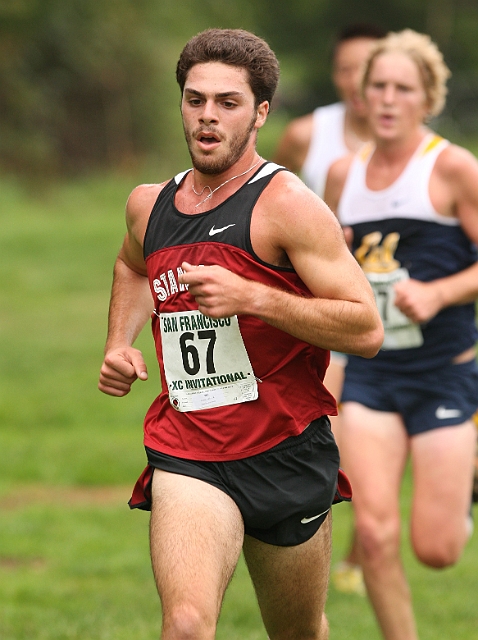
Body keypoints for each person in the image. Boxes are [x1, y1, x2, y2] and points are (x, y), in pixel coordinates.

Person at [98, 28, 383, 640]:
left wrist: (254, 296)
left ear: (259, 113)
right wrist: (119, 343)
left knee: (298, 632)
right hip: (190, 446)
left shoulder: (288, 206)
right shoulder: (150, 205)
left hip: (285, 449)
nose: (207, 117)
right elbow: (131, 263)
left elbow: (365, 326)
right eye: (195, 99)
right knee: (186, 626)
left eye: (227, 103)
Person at [325, 29, 478, 640]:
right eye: (378, 86)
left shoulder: (453, 168)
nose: (388, 99)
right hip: (372, 374)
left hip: (444, 370)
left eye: (402, 89)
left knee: (437, 549)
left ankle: (466, 478)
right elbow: (330, 269)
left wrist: (439, 292)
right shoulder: (343, 174)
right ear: (362, 96)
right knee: (375, 531)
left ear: (426, 98)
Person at [274, 22, 386, 595]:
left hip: (397, 314)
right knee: (333, 423)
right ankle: (344, 545)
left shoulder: (415, 142)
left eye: (368, 71)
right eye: (345, 69)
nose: (357, 83)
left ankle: (364, 548)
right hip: (322, 311)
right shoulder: (305, 135)